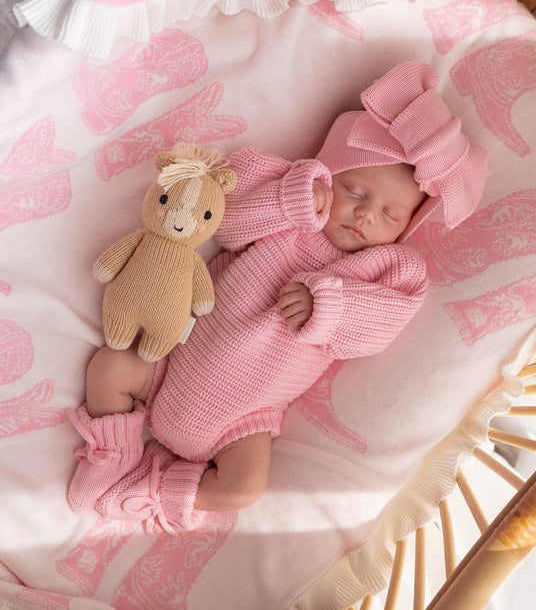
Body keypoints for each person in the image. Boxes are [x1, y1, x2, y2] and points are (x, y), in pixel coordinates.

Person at [66, 61, 489, 533]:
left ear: (407, 226)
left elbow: (379, 327)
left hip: (241, 422)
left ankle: (153, 490)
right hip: (168, 361)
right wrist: (290, 200)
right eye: (355, 191)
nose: (366, 215)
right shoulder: (290, 208)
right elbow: (224, 224)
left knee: (243, 489)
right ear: (329, 175)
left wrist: (329, 306)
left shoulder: (388, 269)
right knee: (110, 366)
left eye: (390, 215)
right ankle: (111, 456)